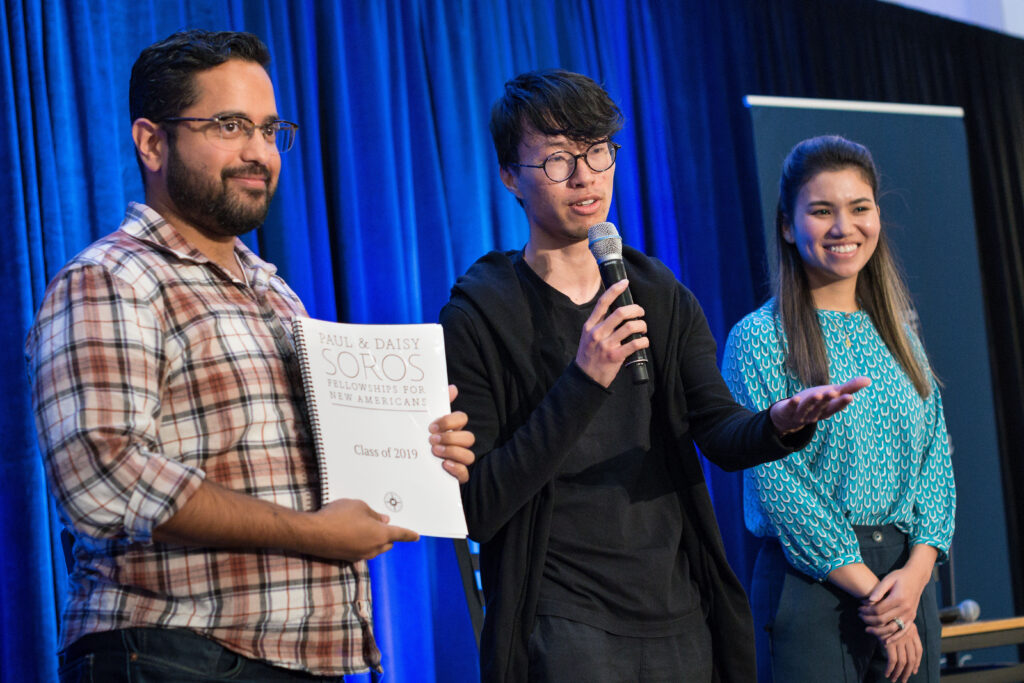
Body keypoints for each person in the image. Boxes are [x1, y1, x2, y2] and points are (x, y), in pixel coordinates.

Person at [25, 30, 475, 682]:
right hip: (172, 654)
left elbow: (315, 462)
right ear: (152, 142)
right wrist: (313, 532)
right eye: (231, 126)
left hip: (300, 659)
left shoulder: (276, 292)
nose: (259, 152)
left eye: (269, 130)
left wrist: (420, 449)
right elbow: (108, 483)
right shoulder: (109, 279)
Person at [440, 69, 870, 683]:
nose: (585, 176)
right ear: (510, 175)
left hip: (676, 611)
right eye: (558, 160)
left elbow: (718, 431)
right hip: (563, 621)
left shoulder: (658, 294)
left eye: (596, 152)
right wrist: (584, 381)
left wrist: (779, 422)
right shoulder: (481, 313)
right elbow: (479, 506)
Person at [722, 135, 956, 683]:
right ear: (787, 226)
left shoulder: (900, 337)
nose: (843, 227)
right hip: (813, 587)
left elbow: (936, 467)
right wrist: (880, 601)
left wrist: (916, 575)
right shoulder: (758, 338)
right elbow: (779, 485)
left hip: (908, 585)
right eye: (821, 211)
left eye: (859, 208)